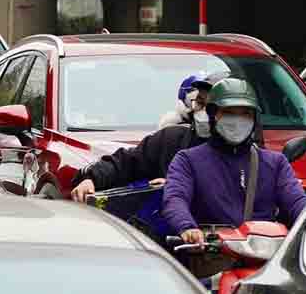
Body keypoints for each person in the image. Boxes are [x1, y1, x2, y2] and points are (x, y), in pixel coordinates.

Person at [161, 76, 306, 247]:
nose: (238, 120)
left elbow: (297, 202)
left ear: (255, 118)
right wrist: (187, 227)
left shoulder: (275, 163)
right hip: (211, 257)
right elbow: (175, 199)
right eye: (229, 112)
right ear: (213, 114)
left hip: (265, 258)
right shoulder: (187, 160)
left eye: (245, 114)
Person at [70, 74, 213, 202]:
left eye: (210, 107)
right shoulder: (171, 139)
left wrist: (177, 187)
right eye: (200, 103)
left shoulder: (233, 155)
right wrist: (91, 179)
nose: (203, 112)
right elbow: (125, 163)